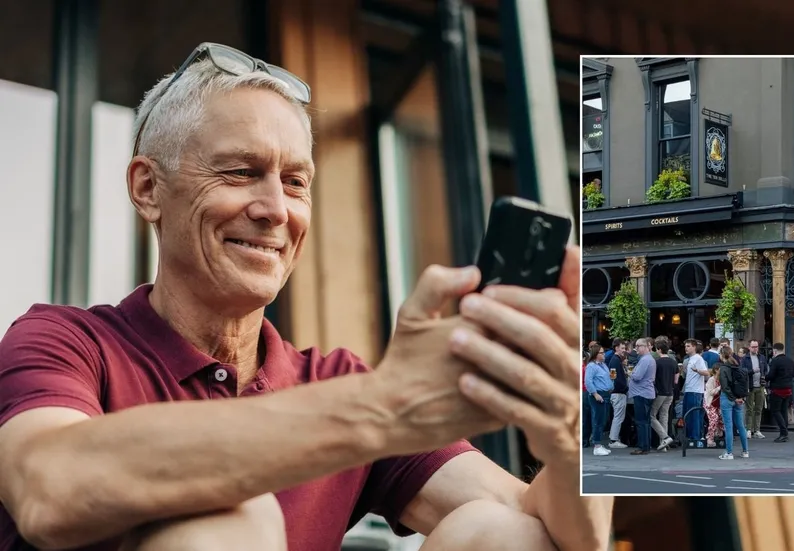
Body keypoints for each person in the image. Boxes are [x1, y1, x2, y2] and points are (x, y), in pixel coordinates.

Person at [0, 43, 611, 551]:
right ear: (148, 188)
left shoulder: (333, 381)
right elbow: (49, 485)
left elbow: (545, 538)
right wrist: (381, 408)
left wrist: (574, 436)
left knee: (501, 533)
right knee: (224, 520)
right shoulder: (64, 341)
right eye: (240, 172)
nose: (275, 210)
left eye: (295, 182)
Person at [718, 347, 750, 460]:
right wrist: (739, 397)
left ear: (722, 355)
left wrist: (733, 398)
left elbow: (725, 387)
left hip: (727, 398)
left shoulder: (723, 368)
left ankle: (729, 452)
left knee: (728, 425)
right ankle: (745, 451)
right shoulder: (737, 365)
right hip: (739, 397)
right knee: (741, 425)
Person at [627, 338, 656, 455]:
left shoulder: (645, 360)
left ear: (645, 347)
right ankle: (646, 445)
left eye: (638, 346)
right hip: (645, 393)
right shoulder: (648, 359)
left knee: (641, 421)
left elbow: (637, 376)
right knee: (646, 421)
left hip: (641, 393)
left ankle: (642, 447)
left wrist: (630, 373)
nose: (636, 348)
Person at [584, 344, 614, 456]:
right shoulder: (591, 366)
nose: (604, 354)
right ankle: (596, 445)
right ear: (596, 354)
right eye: (601, 353)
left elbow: (607, 378)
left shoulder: (603, 365)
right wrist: (595, 394)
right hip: (598, 394)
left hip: (606, 393)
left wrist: (611, 383)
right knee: (598, 420)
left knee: (603, 419)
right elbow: (588, 381)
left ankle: (599, 444)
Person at [681, 339, 710, 441]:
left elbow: (707, 373)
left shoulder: (698, 358)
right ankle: (690, 436)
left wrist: (697, 370)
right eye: (685, 346)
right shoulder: (690, 359)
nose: (686, 348)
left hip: (696, 391)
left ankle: (696, 437)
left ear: (694, 347)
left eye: (688, 346)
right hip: (689, 389)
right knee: (688, 414)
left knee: (694, 414)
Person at [739, 339, 769, 439]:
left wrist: (764, 376)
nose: (755, 348)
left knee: (759, 408)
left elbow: (765, 369)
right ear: (749, 347)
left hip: (760, 386)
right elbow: (742, 372)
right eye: (753, 347)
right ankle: (748, 429)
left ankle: (757, 430)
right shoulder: (745, 359)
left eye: (756, 346)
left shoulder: (762, 357)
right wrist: (752, 371)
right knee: (749, 409)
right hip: (750, 386)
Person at [651, 337, 677, 451]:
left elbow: (652, 379)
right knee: (664, 416)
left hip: (660, 392)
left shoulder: (656, 362)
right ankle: (664, 445)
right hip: (670, 392)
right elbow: (676, 380)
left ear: (659, 349)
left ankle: (665, 437)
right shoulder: (673, 362)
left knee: (651, 415)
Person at [767, 342, 794, 442]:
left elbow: (771, 375)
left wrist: (765, 378)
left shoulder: (775, 361)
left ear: (774, 351)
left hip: (777, 389)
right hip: (788, 389)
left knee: (776, 411)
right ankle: (784, 432)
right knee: (784, 411)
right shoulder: (790, 361)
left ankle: (783, 432)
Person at [607, 339, 629, 449]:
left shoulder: (616, 360)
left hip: (618, 392)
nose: (624, 351)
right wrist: (623, 386)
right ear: (616, 348)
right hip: (618, 392)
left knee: (618, 416)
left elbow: (613, 376)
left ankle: (614, 438)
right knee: (618, 417)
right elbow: (613, 376)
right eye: (622, 348)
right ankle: (613, 439)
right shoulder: (615, 360)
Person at [703, 365, 722, 447]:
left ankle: (718, 433)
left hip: (718, 404)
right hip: (710, 403)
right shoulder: (711, 380)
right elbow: (711, 392)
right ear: (716, 370)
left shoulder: (721, 379)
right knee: (714, 419)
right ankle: (709, 438)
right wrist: (719, 388)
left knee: (721, 419)